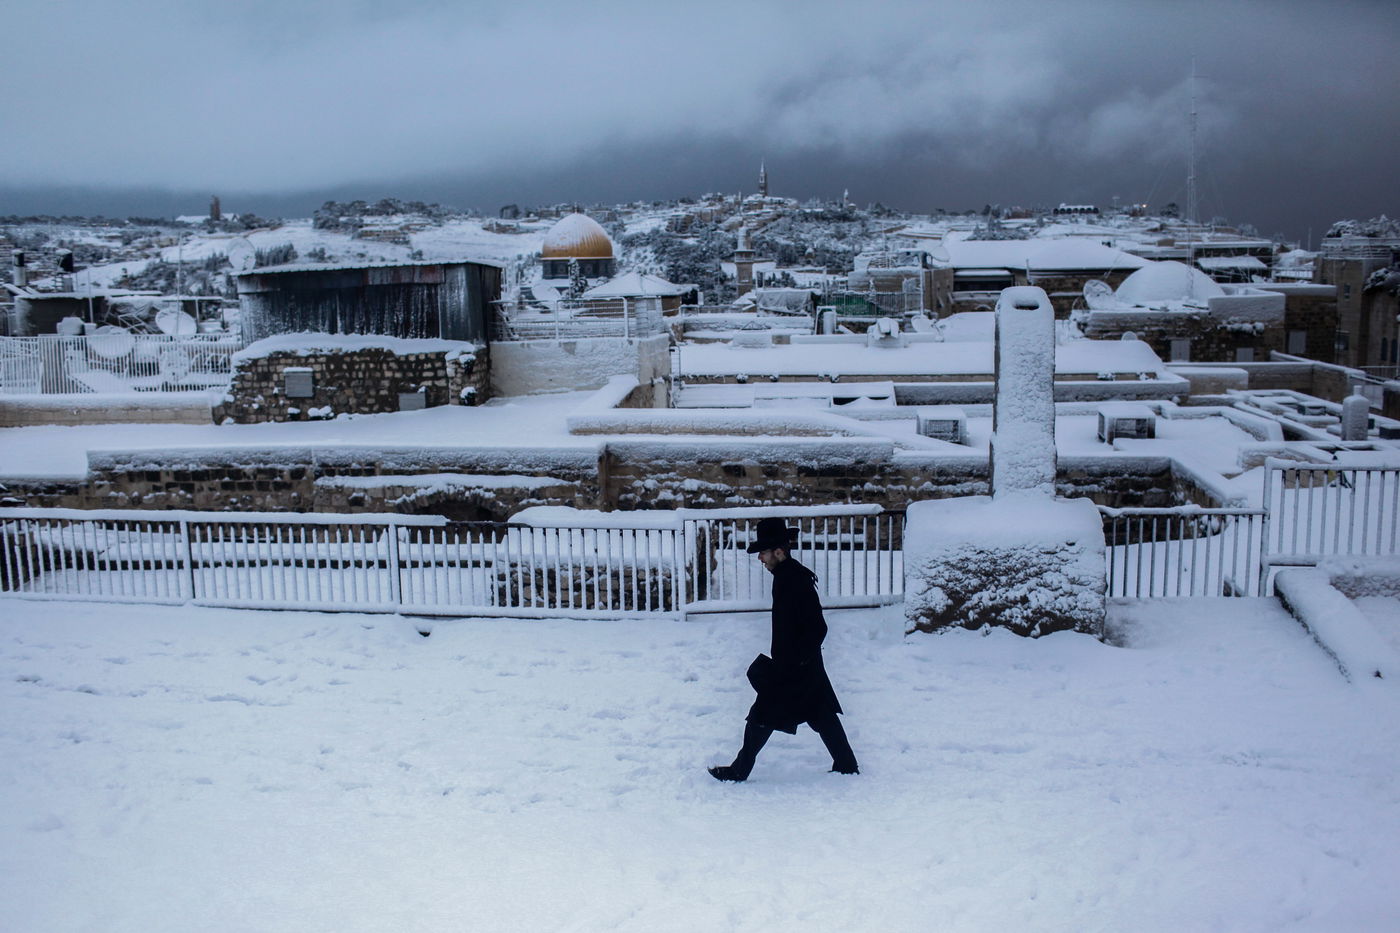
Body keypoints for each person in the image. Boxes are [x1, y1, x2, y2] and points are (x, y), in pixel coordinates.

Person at [709, 517, 859, 782]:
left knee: (763, 714)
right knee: (820, 712)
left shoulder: (795, 580)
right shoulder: (785, 576)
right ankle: (847, 764)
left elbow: (818, 627)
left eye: (763, 553)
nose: (760, 558)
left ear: (779, 552)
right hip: (799, 665)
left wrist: (796, 662)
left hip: (794, 667)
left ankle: (739, 771)